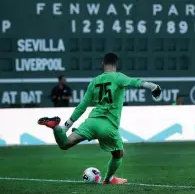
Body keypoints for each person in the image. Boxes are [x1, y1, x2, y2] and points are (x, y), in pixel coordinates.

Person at [38, 53, 161, 185]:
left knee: (65, 143)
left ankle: (56, 127)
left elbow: (82, 106)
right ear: (116, 64)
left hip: (91, 122)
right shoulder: (118, 77)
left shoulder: (94, 81)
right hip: (108, 125)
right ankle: (108, 179)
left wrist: (66, 126)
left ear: (103, 64)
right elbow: (136, 82)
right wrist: (153, 87)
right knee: (119, 154)